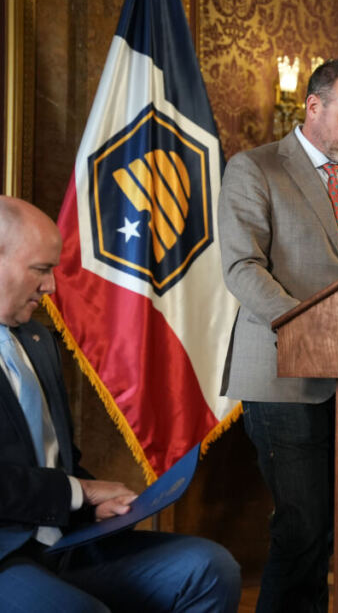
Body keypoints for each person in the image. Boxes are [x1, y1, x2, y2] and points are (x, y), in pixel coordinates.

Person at [0, 196, 240, 612]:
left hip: (65, 540)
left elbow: (59, 459)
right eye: (40, 269)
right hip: (6, 553)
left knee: (209, 566)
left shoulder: (38, 342)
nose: (51, 286)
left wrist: (96, 503)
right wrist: (80, 492)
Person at [218, 58, 338, 612]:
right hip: (283, 375)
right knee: (302, 528)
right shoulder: (256, 168)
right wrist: (310, 327)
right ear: (313, 106)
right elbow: (242, 268)